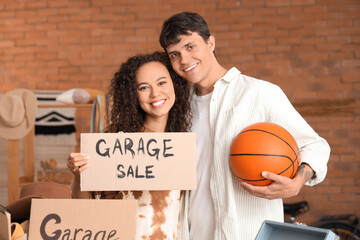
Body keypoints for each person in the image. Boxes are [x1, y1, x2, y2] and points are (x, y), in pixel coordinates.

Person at [159, 12, 331, 239]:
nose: (184, 60)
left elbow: (316, 145)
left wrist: (297, 181)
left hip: (247, 234)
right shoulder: (179, 108)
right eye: (175, 54)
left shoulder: (259, 93)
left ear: (210, 43)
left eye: (191, 47)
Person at [67, 51, 191, 240]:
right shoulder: (116, 144)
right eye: (143, 87)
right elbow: (84, 205)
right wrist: (79, 175)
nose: (155, 93)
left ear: (175, 84)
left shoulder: (184, 144)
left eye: (162, 82)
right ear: (132, 95)